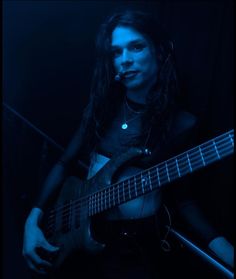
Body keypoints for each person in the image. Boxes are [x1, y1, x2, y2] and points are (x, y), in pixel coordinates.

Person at [22, 10, 234, 278]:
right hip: (77, 237)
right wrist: (32, 222)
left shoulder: (183, 123)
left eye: (136, 47)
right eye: (116, 52)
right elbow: (65, 162)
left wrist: (224, 247)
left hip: (131, 248)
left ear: (159, 50)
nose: (125, 60)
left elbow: (184, 199)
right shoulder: (101, 109)